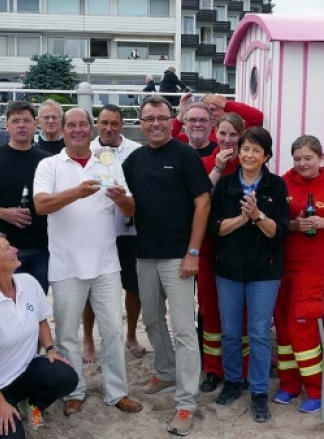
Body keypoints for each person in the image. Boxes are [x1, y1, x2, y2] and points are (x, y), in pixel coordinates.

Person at [34, 108, 144, 417]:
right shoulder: (49, 164)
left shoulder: (107, 162)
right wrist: (78, 193)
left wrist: (121, 199)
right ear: (63, 129)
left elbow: (129, 208)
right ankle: (75, 390)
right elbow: (41, 205)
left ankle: (117, 391)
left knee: (111, 331)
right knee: (67, 333)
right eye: (72, 125)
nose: (78, 130)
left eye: (84, 124)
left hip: (106, 262)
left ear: (91, 128)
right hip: (66, 264)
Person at [121, 96, 211, 436]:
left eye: (161, 117)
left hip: (178, 256)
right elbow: (128, 206)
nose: (155, 123)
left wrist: (193, 252)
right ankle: (166, 371)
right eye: (148, 118)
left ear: (173, 120)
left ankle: (186, 403)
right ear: (141, 123)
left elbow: (202, 204)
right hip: (145, 253)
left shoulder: (186, 156)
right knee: (153, 319)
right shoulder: (133, 160)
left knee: (185, 331)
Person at [208, 127, 289, 423]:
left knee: (257, 333)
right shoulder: (227, 185)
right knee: (230, 331)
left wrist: (256, 216)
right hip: (228, 270)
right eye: (245, 149)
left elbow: (279, 232)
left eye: (256, 150)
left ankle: (257, 390)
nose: (249, 155)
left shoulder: (276, 187)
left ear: (266, 156)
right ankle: (232, 381)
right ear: (237, 153)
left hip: (264, 272)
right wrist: (242, 219)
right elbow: (214, 228)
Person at [0, 232, 79, 436]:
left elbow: (41, 319)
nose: (15, 250)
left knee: (67, 376)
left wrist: (50, 349)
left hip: (26, 372)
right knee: (13, 436)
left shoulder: (28, 282)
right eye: (7, 248)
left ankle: (33, 404)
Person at [273, 135, 324, 413]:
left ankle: (319, 391)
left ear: (321, 158)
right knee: (283, 327)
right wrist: (294, 225)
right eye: (297, 158)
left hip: (312, 269)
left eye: (308, 158)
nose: (302, 163)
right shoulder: (282, 182)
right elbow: (275, 222)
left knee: (303, 328)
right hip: (281, 265)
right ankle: (288, 385)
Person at [81, 104, 145, 363]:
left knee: (133, 287)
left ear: (122, 124)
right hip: (96, 231)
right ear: (97, 123)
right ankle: (87, 339)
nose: (108, 128)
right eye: (104, 123)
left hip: (130, 231)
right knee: (91, 287)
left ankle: (131, 335)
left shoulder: (136, 151)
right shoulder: (87, 150)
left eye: (114, 123)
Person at [0, 101, 51, 293]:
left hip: (43, 250)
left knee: (36, 305)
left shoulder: (48, 161)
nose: (21, 125)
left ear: (36, 124)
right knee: (5, 307)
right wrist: (3, 213)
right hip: (3, 253)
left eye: (26, 120)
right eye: (16, 121)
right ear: (7, 126)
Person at [197, 113, 247, 393]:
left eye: (233, 135)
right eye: (223, 134)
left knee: (242, 313)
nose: (228, 140)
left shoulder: (249, 162)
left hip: (240, 248)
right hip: (208, 248)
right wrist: (217, 168)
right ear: (215, 133)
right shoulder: (205, 163)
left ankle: (244, 368)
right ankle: (213, 369)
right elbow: (200, 198)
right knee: (210, 310)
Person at [173, 93, 263, 144]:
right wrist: (181, 117)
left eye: (213, 109)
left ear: (225, 110)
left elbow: (257, 118)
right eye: (206, 111)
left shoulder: (235, 131)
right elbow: (166, 139)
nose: (210, 114)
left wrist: (227, 104)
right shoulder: (193, 136)